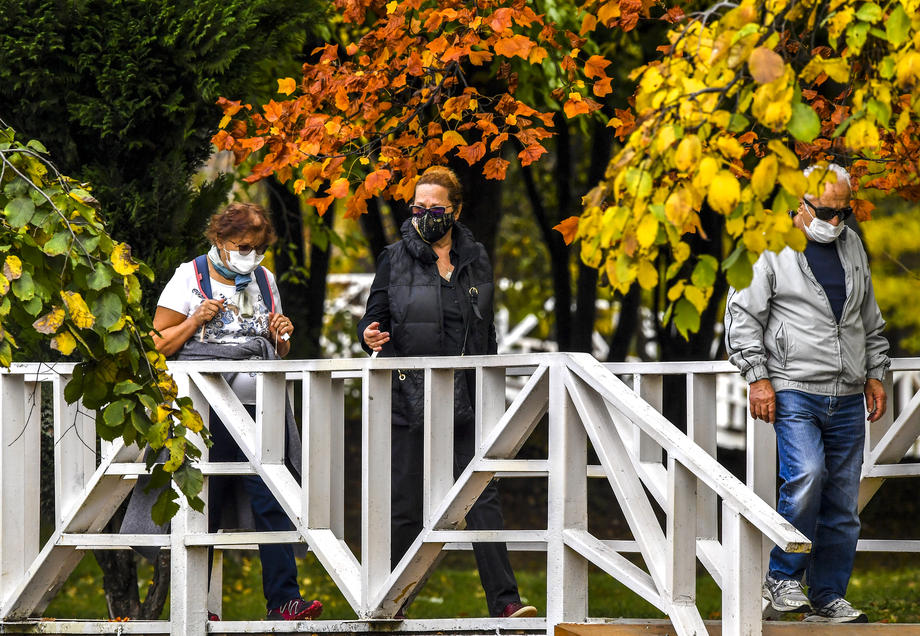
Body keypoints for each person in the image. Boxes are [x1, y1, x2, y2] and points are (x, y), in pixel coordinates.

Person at [123, 202, 321, 621]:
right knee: (204, 505)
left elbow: (276, 351)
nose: (250, 254)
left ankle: (284, 601)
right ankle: (197, 605)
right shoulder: (188, 277)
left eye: (257, 247)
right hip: (205, 414)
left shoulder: (264, 280)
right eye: (242, 246)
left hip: (259, 408)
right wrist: (195, 320)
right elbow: (156, 347)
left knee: (274, 499)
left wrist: (281, 338)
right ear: (219, 240)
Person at [357, 166, 537, 619]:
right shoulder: (393, 258)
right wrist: (370, 335)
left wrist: (491, 393)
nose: (424, 216)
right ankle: (389, 607)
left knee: (482, 498)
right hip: (409, 398)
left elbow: (486, 332)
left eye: (434, 209)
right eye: (417, 208)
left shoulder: (476, 259)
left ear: (454, 211)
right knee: (406, 504)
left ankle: (506, 604)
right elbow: (372, 319)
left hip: (468, 400)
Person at [724, 163, 889, 624]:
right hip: (793, 387)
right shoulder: (769, 244)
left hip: (848, 391)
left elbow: (868, 319)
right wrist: (758, 377)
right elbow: (741, 317)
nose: (834, 222)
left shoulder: (852, 244)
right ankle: (783, 578)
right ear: (800, 204)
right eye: (825, 211)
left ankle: (828, 597)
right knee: (807, 477)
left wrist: (875, 372)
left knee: (842, 501)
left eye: (844, 213)